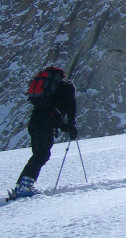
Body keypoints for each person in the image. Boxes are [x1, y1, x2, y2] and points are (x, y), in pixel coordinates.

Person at [10, 66, 78, 199]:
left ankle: (20, 186)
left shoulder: (45, 93)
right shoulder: (67, 87)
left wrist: (62, 125)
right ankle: (25, 187)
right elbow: (70, 108)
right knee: (42, 154)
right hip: (46, 123)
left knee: (38, 154)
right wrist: (71, 125)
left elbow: (49, 109)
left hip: (34, 121)